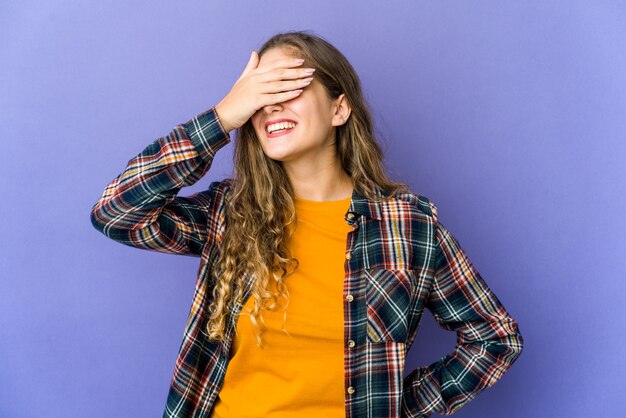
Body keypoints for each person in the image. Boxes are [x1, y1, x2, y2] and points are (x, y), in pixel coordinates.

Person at [90, 30, 523, 418]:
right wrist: (222, 117)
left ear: (339, 109)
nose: (271, 104)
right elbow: (117, 212)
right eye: (259, 95)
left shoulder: (408, 226)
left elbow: (495, 340)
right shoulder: (228, 214)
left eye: (289, 87)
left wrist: (396, 407)